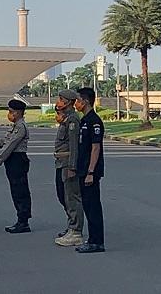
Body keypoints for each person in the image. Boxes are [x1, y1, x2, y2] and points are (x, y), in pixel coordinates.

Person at [0, 99, 32, 234]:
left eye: (11, 112)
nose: (9, 114)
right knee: (15, 190)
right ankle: (21, 220)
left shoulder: (20, 127)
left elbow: (10, 146)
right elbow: (4, 142)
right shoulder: (14, 126)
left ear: (18, 113)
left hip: (18, 159)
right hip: (12, 160)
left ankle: (23, 221)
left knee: (20, 191)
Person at [74, 87, 105, 254]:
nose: (76, 103)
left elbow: (95, 147)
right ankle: (92, 239)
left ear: (85, 101)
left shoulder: (94, 121)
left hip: (90, 172)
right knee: (87, 205)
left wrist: (91, 172)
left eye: (78, 100)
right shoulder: (84, 120)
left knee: (93, 206)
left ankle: (97, 241)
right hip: (82, 169)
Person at [53, 89, 85, 247]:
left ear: (68, 102)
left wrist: (72, 166)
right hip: (61, 162)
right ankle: (71, 225)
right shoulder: (65, 119)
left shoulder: (72, 120)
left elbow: (73, 146)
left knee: (72, 197)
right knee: (62, 195)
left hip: (67, 163)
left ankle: (76, 231)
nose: (57, 102)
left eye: (60, 99)